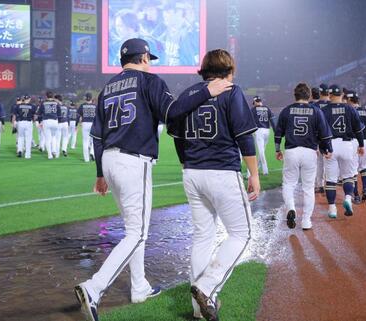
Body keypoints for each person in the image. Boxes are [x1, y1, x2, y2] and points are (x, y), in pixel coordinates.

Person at [73, 38, 233, 321]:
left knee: (134, 228)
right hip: (133, 161)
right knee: (137, 232)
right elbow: (172, 112)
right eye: (150, 58)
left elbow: (96, 136)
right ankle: (94, 288)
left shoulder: (107, 88)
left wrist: (100, 173)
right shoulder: (149, 81)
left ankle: (139, 287)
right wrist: (207, 91)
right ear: (144, 57)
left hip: (109, 159)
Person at [168, 49, 259, 321]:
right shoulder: (231, 91)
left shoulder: (189, 95)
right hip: (222, 172)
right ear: (229, 69)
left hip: (193, 173)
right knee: (242, 234)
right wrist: (254, 173)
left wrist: (188, 163)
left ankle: (199, 309)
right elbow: (244, 136)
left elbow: (176, 135)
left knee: (202, 237)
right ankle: (207, 287)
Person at [275, 83, 333, 230]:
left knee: (289, 184)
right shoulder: (316, 110)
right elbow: (325, 134)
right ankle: (306, 221)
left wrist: (277, 149)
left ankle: (291, 208)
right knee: (308, 188)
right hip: (309, 152)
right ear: (309, 96)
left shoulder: (286, 110)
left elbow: (278, 133)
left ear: (295, 95)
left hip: (291, 151)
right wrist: (328, 149)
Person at [322, 85, 365, 218]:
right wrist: (361, 144)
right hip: (347, 145)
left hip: (331, 145)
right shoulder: (350, 108)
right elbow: (358, 129)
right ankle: (347, 198)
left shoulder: (324, 110)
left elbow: (321, 132)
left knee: (330, 180)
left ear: (329, 95)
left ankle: (332, 208)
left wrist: (323, 148)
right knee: (348, 176)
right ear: (342, 95)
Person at [250, 95, 275, 175]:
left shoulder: (253, 110)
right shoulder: (267, 108)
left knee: (261, 152)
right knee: (262, 150)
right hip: (267, 131)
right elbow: (272, 121)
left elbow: (250, 122)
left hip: (259, 131)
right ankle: (258, 166)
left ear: (254, 102)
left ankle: (265, 171)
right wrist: (276, 131)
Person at [313, 83, 331, 193]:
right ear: (328, 92)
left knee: (319, 163)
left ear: (320, 93)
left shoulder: (315, 106)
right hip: (331, 138)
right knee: (330, 163)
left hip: (319, 138)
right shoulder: (332, 105)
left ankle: (319, 185)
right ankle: (329, 184)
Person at [37, 91, 60, 159]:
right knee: (54, 137)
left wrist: (39, 121)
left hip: (46, 121)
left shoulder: (43, 103)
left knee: (47, 139)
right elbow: (59, 113)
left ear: (46, 96)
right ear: (52, 96)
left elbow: (39, 113)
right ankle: (54, 151)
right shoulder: (56, 103)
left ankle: (49, 155)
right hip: (54, 121)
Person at [15, 95, 36, 159]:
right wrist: (34, 121)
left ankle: (19, 150)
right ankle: (27, 154)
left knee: (20, 137)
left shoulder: (18, 106)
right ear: (29, 99)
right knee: (28, 138)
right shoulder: (32, 106)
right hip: (28, 122)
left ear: (23, 99)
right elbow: (35, 116)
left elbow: (15, 114)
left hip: (21, 122)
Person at [78, 93, 96, 162]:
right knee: (94, 140)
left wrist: (78, 123)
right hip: (93, 124)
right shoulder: (95, 106)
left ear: (85, 98)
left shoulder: (82, 105)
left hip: (85, 123)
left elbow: (78, 115)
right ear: (91, 98)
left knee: (85, 141)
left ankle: (86, 159)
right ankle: (92, 152)